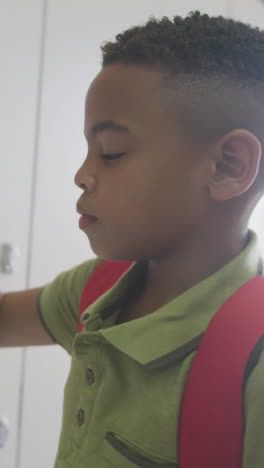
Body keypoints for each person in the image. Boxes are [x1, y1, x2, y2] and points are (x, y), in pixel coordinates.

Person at [1, 10, 264, 468]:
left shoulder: (253, 362)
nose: (82, 175)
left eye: (112, 153)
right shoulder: (98, 289)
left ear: (227, 166)